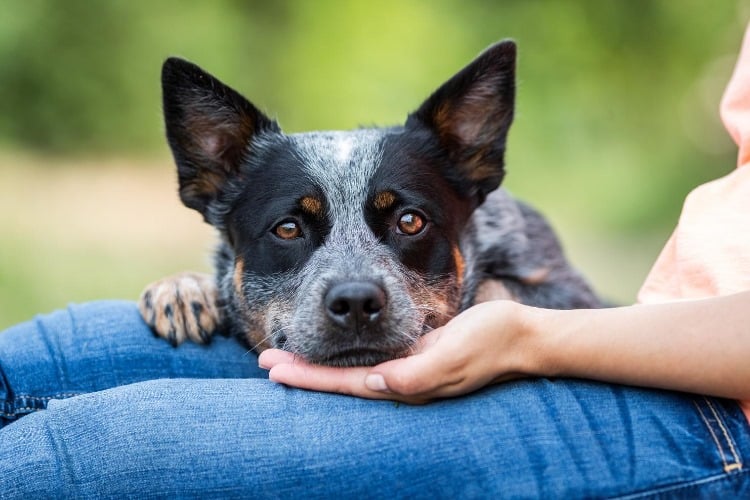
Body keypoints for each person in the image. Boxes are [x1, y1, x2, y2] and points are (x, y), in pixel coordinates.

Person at [2, 29, 750, 498]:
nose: (355, 287)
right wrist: (205, 288)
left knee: (77, 456)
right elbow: (248, 260)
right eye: (295, 228)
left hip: (708, 419)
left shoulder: (517, 257)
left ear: (473, 178)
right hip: (679, 328)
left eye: (411, 223)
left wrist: (513, 323)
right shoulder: (234, 228)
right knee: (29, 364)